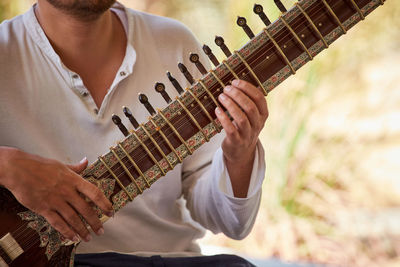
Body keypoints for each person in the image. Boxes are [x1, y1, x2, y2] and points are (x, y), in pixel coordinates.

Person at [0, 0, 269, 266]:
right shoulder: (4, 52)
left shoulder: (173, 42)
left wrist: (238, 157)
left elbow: (229, 222)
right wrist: (7, 166)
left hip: (171, 260)